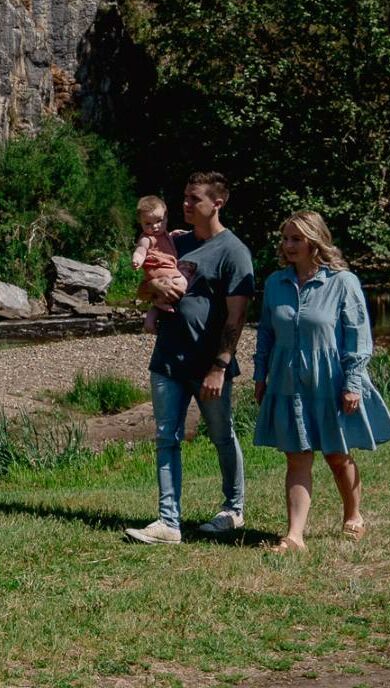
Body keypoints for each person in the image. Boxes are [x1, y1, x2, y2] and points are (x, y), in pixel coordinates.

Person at [253, 211, 390, 553]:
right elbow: (266, 334)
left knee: (336, 454)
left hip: (330, 381)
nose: (288, 245)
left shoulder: (342, 282)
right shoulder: (276, 283)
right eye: (286, 238)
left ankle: (353, 515)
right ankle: (295, 535)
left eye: (296, 239)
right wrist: (260, 375)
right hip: (288, 380)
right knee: (296, 457)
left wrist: (353, 383)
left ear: (315, 242)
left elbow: (358, 339)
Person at [125, 171, 254, 544]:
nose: (184, 205)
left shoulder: (234, 252)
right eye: (183, 197)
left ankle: (233, 510)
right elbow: (141, 286)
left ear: (217, 203)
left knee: (221, 435)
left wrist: (220, 365)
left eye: (193, 199)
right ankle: (168, 522)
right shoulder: (173, 242)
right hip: (167, 359)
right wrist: (152, 286)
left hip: (208, 365)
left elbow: (237, 316)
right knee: (166, 438)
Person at [131, 195, 188, 335]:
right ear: (141, 222)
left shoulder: (164, 234)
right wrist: (137, 258)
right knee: (182, 282)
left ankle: (153, 312)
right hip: (158, 270)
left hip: (165, 271)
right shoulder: (147, 238)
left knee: (168, 291)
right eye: (148, 224)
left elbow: (165, 240)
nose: (155, 226)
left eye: (159, 221)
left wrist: (172, 235)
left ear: (166, 217)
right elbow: (141, 249)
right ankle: (158, 303)